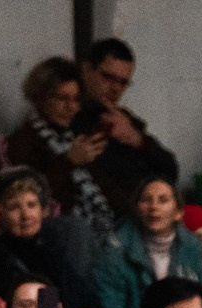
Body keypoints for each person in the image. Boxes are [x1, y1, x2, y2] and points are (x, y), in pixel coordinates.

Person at [94, 175, 202, 308]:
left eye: (163, 200)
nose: (154, 207)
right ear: (136, 209)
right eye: (146, 200)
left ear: (178, 213)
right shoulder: (115, 251)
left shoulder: (194, 248)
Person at [4, 57, 116, 239]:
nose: (71, 107)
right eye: (62, 98)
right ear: (41, 98)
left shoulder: (71, 137)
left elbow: (104, 188)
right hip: (51, 233)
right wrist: (69, 161)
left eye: (76, 99)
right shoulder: (23, 141)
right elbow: (30, 196)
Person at [0, 167, 104, 308]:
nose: (25, 215)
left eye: (31, 205)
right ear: (1, 214)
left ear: (43, 210)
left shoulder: (52, 246)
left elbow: (93, 307)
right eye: (14, 208)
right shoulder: (1, 257)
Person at [73, 38, 179, 215]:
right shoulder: (69, 118)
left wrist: (138, 140)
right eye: (108, 77)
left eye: (123, 82)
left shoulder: (122, 119)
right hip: (118, 214)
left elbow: (171, 171)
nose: (115, 88)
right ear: (87, 70)